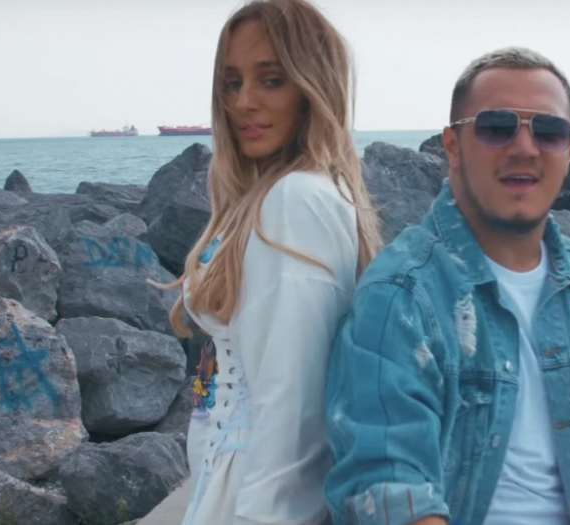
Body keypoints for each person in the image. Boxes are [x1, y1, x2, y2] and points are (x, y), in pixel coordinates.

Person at [323, 47, 570, 525]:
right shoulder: (401, 296)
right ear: (452, 146)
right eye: (496, 127)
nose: (524, 147)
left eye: (549, 131)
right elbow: (391, 486)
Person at [161, 1, 382, 524]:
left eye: (272, 80)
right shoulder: (273, 196)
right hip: (225, 479)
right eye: (231, 82)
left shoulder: (295, 201)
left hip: (250, 497)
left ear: (313, 87)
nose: (243, 102)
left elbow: (293, 412)